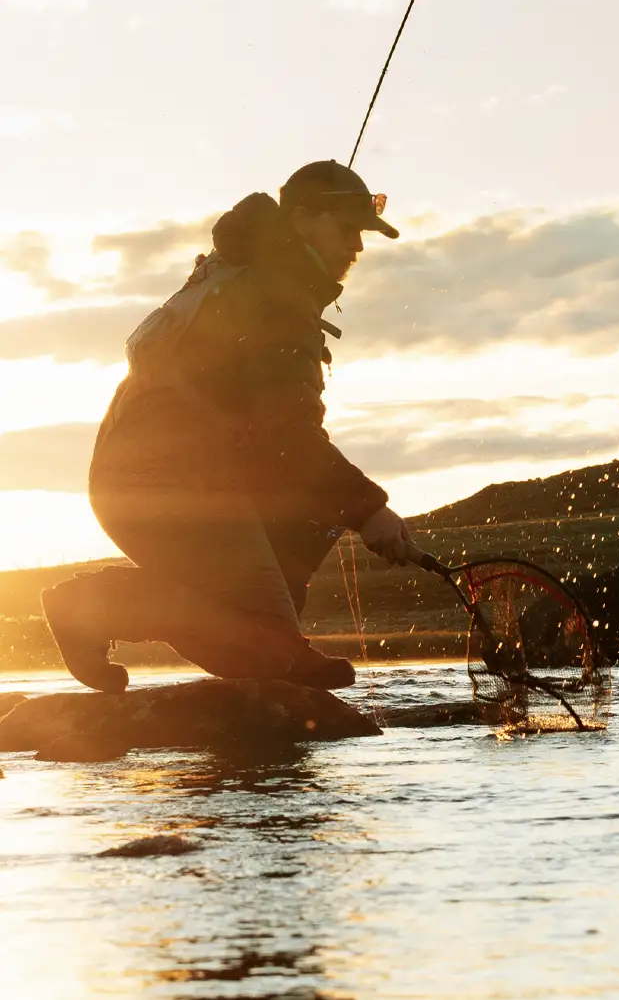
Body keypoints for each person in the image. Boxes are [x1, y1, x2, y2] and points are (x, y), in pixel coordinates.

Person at [42, 159, 411, 693]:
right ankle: (89, 607)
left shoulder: (235, 273)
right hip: (166, 486)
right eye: (347, 229)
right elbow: (290, 437)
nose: (357, 247)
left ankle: (277, 639)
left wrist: (344, 509)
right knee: (260, 646)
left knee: (308, 515)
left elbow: (273, 446)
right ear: (304, 219)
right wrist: (370, 510)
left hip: (149, 478)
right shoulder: (276, 297)